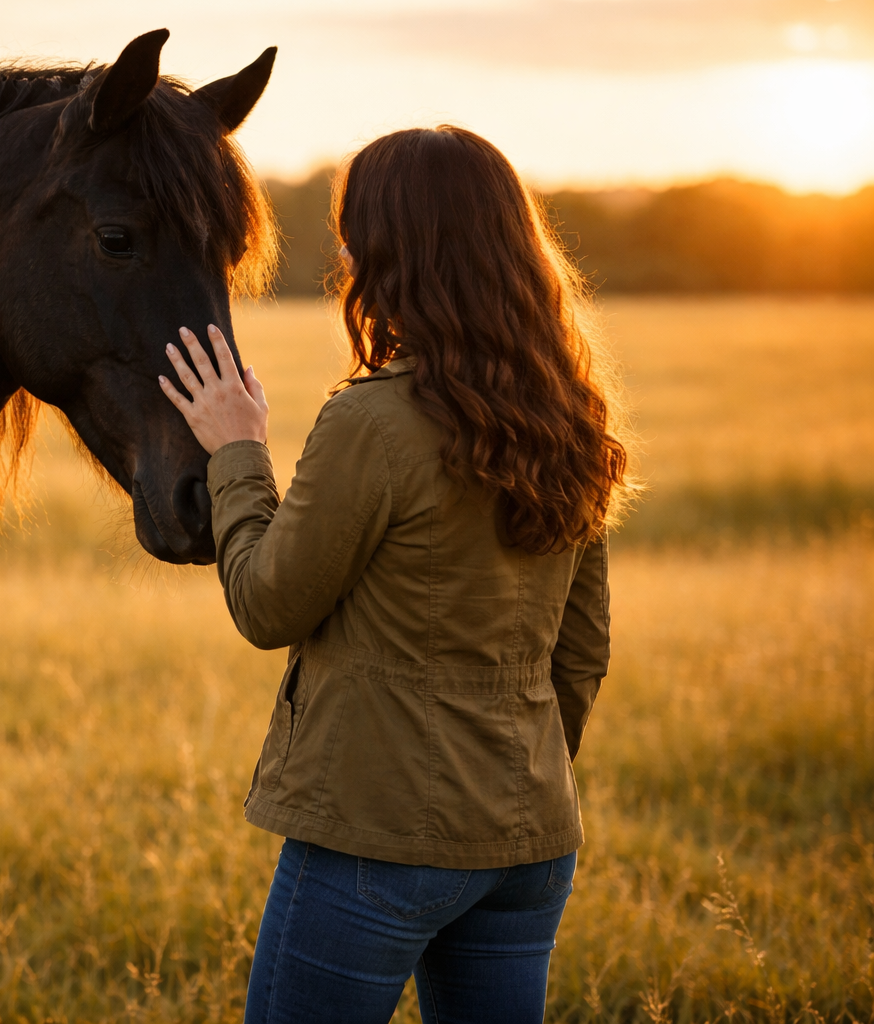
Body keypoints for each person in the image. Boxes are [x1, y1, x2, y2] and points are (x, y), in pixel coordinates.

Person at [157, 126, 630, 1023]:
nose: (341, 253)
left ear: (390, 252)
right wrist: (506, 786)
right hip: (529, 842)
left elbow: (265, 603)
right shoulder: (569, 416)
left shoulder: (370, 422)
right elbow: (585, 649)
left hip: (374, 840)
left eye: (352, 232)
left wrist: (239, 453)